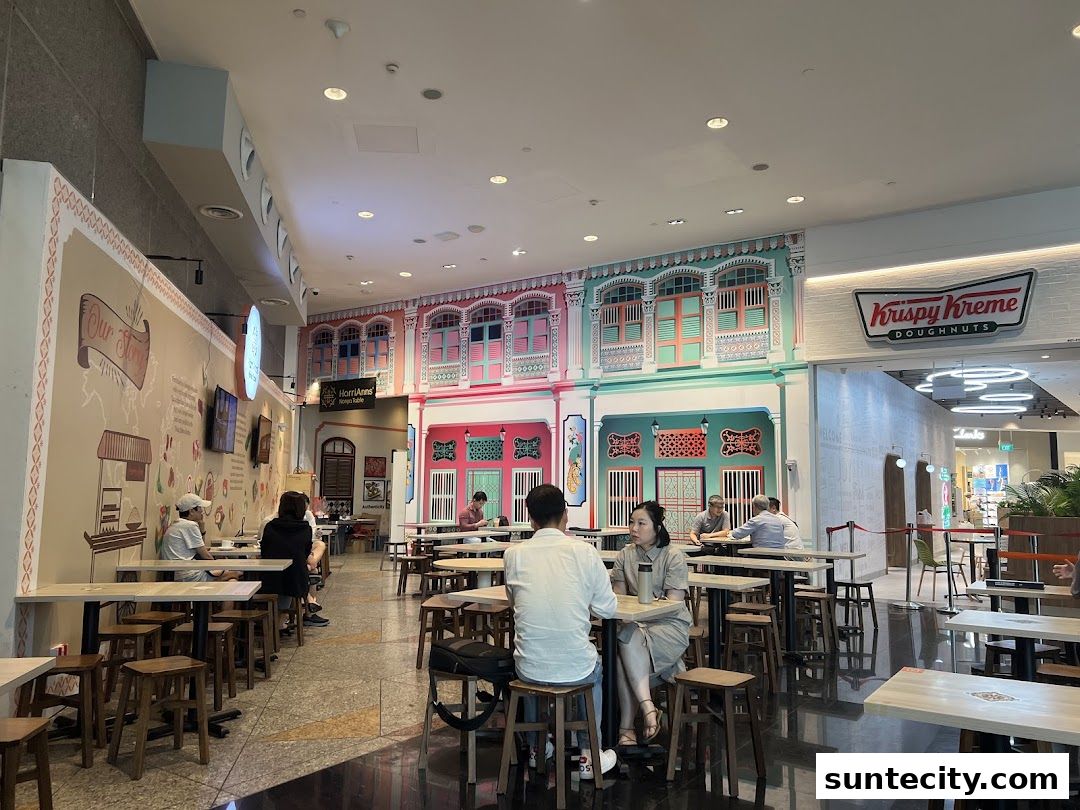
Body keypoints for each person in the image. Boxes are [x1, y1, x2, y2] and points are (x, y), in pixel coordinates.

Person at [502, 484, 619, 780]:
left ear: (531, 519)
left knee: (529, 658)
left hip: (528, 669)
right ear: (566, 515)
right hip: (576, 668)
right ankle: (589, 755)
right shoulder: (585, 551)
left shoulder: (513, 555)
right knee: (591, 667)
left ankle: (535, 749)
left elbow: (515, 603)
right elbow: (607, 609)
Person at [610, 501, 692, 748]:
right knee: (626, 640)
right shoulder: (625, 555)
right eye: (632, 523)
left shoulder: (673, 556)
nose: (634, 528)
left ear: (657, 527)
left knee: (622, 650)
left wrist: (638, 614)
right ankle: (648, 709)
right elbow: (619, 600)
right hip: (635, 627)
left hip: (670, 626)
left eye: (641, 523)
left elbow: (674, 604)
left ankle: (626, 728)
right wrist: (635, 615)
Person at [259, 491, 330, 628]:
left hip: (269, 579)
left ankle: (277, 622)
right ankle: (285, 619)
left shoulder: (270, 526)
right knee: (305, 568)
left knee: (289, 574)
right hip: (296, 581)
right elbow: (305, 554)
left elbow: (264, 552)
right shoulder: (305, 529)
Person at [160, 494, 240, 582]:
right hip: (188, 575)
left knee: (230, 577)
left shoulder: (177, 524)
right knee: (235, 573)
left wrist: (201, 529)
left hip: (176, 573)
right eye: (200, 508)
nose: (202, 511)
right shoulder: (190, 525)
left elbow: (199, 548)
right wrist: (217, 566)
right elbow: (205, 555)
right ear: (191, 511)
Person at [717, 494, 786, 549]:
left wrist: (730, 532)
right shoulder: (778, 519)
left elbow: (737, 534)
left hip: (763, 555)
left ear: (754, 507)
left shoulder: (756, 520)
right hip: (779, 555)